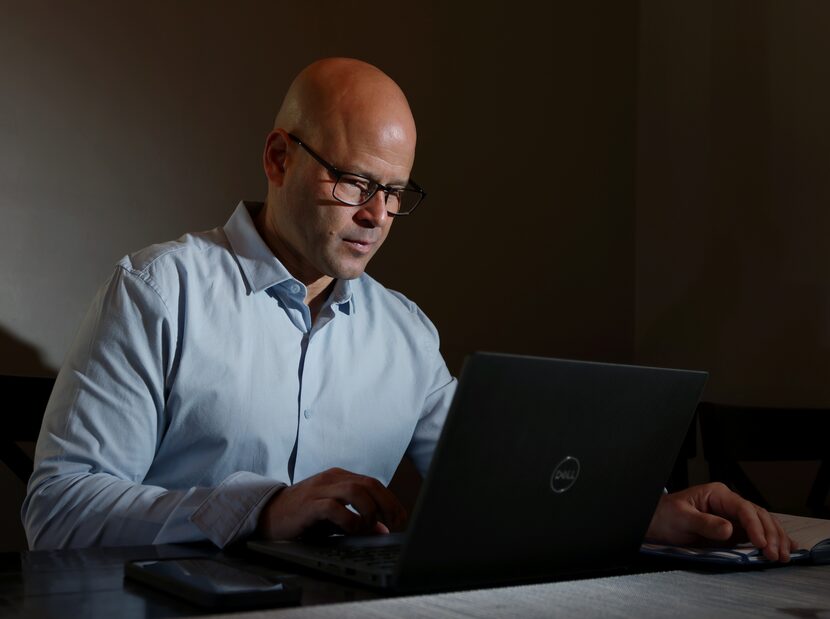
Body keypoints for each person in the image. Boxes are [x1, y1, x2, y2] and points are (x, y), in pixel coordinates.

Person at [22, 58, 796, 561]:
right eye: (355, 182)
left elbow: (502, 478)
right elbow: (55, 511)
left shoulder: (405, 333)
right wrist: (258, 509)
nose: (376, 216)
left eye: (395, 192)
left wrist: (648, 510)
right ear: (278, 158)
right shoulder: (159, 292)